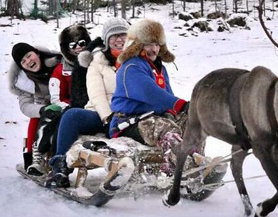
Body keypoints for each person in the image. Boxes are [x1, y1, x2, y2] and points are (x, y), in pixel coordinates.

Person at [46, 17, 130, 188]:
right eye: (114, 36)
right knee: (71, 116)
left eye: (123, 34)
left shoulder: (136, 60)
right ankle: (60, 166)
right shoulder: (97, 61)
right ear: (106, 40)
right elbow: (96, 93)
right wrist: (109, 118)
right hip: (102, 115)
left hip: (129, 115)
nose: (119, 39)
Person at [109, 19, 188, 174]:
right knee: (165, 128)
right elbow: (150, 93)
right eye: (149, 44)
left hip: (155, 118)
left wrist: (183, 112)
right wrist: (181, 105)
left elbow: (168, 95)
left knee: (192, 122)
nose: (154, 49)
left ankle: (196, 159)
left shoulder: (159, 68)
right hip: (129, 123)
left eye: (158, 45)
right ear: (138, 45)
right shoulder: (131, 67)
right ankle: (172, 171)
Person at [37, 25, 91, 158]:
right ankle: (43, 151)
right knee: (51, 113)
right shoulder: (61, 70)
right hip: (69, 107)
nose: (78, 47)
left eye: (82, 43)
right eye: (73, 45)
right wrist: (69, 107)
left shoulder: (96, 63)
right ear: (66, 48)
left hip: (93, 106)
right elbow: (56, 98)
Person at [7, 42, 61, 175]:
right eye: (23, 61)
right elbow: (25, 105)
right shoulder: (24, 82)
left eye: (29, 56)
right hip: (47, 107)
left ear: (36, 53)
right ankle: (33, 157)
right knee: (37, 117)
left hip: (65, 99)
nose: (28, 61)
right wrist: (42, 109)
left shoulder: (56, 62)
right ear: (22, 67)